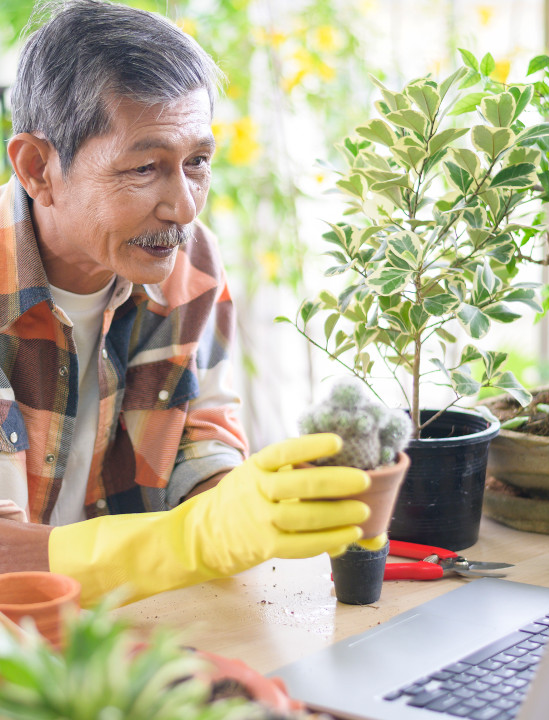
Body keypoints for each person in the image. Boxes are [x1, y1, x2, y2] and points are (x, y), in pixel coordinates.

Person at [0, 0, 377, 607]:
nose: (183, 207)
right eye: (146, 167)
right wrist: (192, 539)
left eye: (197, 162)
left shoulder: (191, 262)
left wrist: (247, 504)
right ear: (37, 167)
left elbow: (198, 443)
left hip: (135, 625)